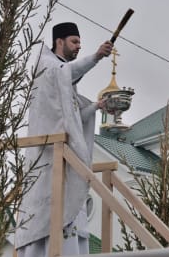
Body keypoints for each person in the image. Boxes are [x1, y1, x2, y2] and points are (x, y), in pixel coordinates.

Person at [15, 22, 113, 256]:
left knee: (70, 216)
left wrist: (96, 107)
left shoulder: (62, 77)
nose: (79, 46)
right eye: (74, 41)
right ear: (59, 41)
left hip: (65, 161)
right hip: (48, 159)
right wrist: (96, 56)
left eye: (80, 42)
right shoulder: (48, 68)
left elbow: (74, 116)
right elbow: (67, 72)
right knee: (47, 217)